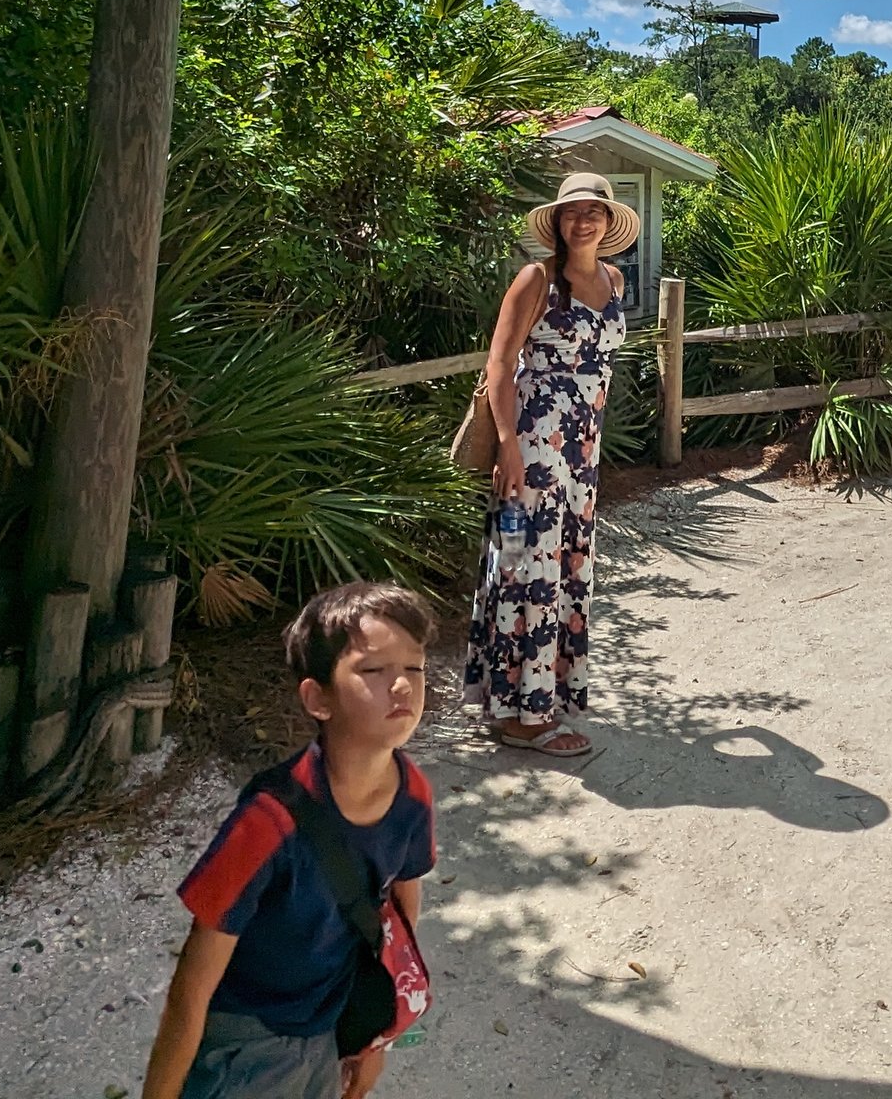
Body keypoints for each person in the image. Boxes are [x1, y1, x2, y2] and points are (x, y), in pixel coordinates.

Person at [143, 581, 436, 1099]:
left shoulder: (413, 795)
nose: (402, 686)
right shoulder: (267, 823)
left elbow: (399, 917)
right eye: (374, 670)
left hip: (325, 1029)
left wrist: (378, 1041)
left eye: (414, 667)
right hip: (248, 1043)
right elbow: (192, 987)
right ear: (317, 697)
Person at [462, 169, 635, 759]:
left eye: (594, 212)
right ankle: (523, 719)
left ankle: (530, 698)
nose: (582, 221)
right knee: (523, 563)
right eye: (571, 212)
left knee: (563, 564)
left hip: (583, 446)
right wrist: (508, 446)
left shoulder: (612, 279)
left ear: (609, 223)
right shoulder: (538, 278)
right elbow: (499, 366)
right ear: (557, 222)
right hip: (534, 442)